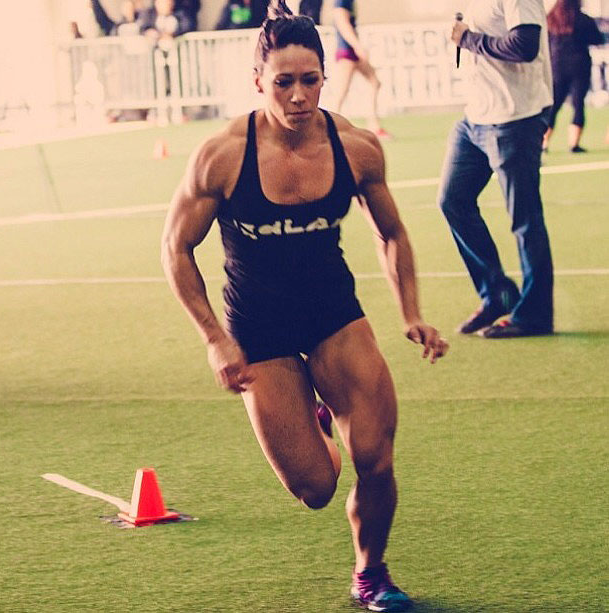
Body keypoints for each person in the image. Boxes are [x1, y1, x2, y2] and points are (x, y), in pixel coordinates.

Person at [161, 1, 448, 610]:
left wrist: (410, 313)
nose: (297, 96)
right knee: (317, 486)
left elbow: (390, 232)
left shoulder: (356, 148)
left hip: (332, 314)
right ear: (258, 80)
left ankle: (371, 573)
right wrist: (215, 337)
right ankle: (316, 421)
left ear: (324, 75)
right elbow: (176, 247)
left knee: (376, 457)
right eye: (283, 82)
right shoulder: (222, 157)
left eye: (309, 80)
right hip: (258, 329)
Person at [437, 0, 555, 339]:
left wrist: (468, 39)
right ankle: (498, 293)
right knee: (452, 200)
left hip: (515, 119)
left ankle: (534, 316)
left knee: (525, 220)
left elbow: (525, 46)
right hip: (475, 118)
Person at [542, 0, 604, 153]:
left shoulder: (551, 18)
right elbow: (597, 39)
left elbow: (544, 42)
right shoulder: (583, 19)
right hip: (579, 65)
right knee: (578, 104)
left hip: (557, 66)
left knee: (554, 105)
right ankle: (574, 144)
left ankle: (544, 143)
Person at [331, 0, 391, 139]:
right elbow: (341, 21)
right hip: (347, 51)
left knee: (374, 82)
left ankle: (374, 125)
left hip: (350, 51)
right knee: (341, 93)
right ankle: (330, 128)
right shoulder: (342, 1)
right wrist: (357, 46)